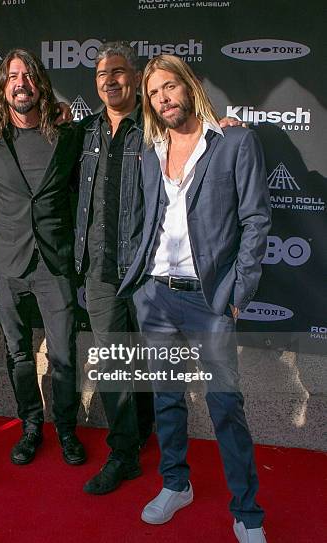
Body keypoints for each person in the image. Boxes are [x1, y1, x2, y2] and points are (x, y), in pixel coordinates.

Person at [119, 54, 270, 542]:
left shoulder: (233, 142)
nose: (163, 98)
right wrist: (139, 282)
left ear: (190, 86)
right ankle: (175, 484)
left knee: (225, 405)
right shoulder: (149, 150)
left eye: (170, 87)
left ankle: (247, 513)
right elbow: (139, 219)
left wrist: (236, 294)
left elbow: (255, 221)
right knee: (167, 399)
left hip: (210, 301)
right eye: (154, 92)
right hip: (156, 295)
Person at [0, 49, 85, 466]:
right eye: (13, 76)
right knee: (18, 352)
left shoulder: (70, 135)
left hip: (55, 263)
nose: (21, 83)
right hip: (7, 264)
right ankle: (31, 426)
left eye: (29, 75)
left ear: (41, 85)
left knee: (64, 355)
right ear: (2, 87)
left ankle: (68, 430)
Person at [74, 41, 154, 495]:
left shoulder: (156, 125)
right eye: (102, 74)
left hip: (145, 269)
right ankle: (123, 455)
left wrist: (225, 123)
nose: (110, 80)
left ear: (135, 76)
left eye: (118, 72)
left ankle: (142, 433)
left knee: (142, 362)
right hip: (99, 270)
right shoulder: (85, 132)